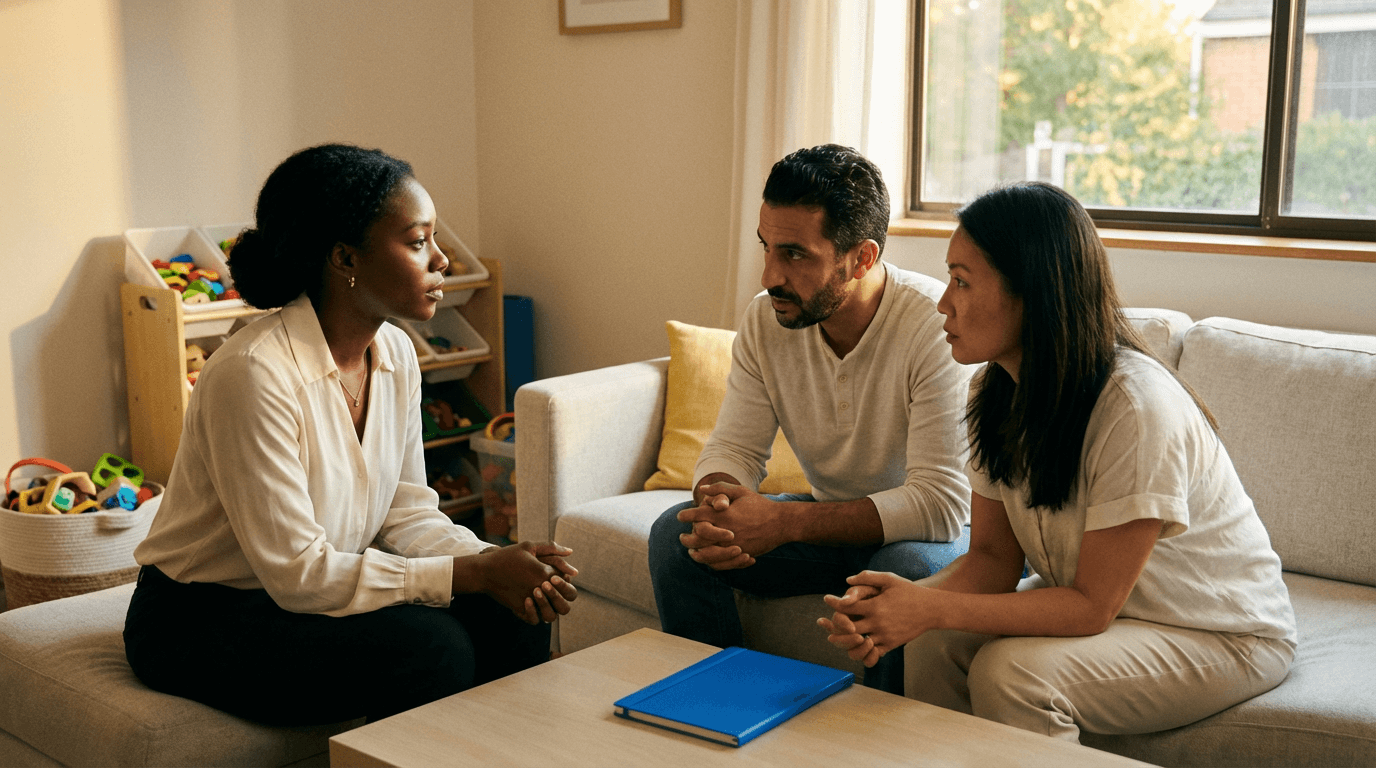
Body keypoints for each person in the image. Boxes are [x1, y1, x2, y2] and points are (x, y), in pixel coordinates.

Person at [819, 181, 1296, 741]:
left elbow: (1091, 607)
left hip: (1219, 632)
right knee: (931, 638)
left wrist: (930, 607)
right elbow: (993, 560)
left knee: (1012, 673)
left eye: (962, 281)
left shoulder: (1135, 409)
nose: (943, 302)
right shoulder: (993, 391)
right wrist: (902, 605)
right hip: (1116, 613)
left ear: (1033, 292)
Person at [124, 144, 577, 726]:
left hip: (304, 590)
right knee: (432, 649)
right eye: (418, 242)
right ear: (344, 258)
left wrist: (494, 561)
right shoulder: (253, 374)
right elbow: (298, 574)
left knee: (514, 612)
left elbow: (406, 515)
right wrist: (473, 575)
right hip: (201, 615)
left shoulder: (396, 353)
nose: (441, 260)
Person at [648, 144, 973, 692]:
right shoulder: (767, 318)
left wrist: (782, 523)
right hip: (832, 529)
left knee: (905, 571)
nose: (770, 275)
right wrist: (718, 506)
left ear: (862, 258)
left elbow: (940, 506)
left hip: (933, 539)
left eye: (795, 254)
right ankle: (720, 707)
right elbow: (735, 448)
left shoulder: (934, 326)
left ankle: (881, 732)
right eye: (767, 247)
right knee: (676, 536)